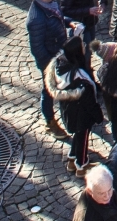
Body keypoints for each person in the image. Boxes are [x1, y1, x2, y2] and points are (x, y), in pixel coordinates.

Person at [47, 33, 104, 174]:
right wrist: (98, 116)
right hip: (82, 115)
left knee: (78, 137)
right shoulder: (80, 79)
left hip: (69, 111)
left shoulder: (59, 66)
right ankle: (81, 165)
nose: (85, 47)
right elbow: (90, 102)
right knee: (83, 137)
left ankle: (73, 158)